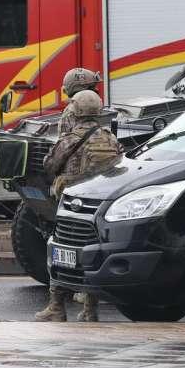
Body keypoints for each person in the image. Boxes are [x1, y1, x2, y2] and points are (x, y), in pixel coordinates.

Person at [38, 89, 122, 322]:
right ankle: (89, 310)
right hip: (98, 205)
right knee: (88, 254)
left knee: (59, 251)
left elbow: (50, 165)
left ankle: (56, 306)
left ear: (75, 111)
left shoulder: (70, 138)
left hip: (71, 205)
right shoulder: (109, 137)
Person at [59, 68, 102, 135]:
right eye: (92, 87)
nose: (96, 89)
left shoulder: (69, 111)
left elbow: (63, 139)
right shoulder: (96, 106)